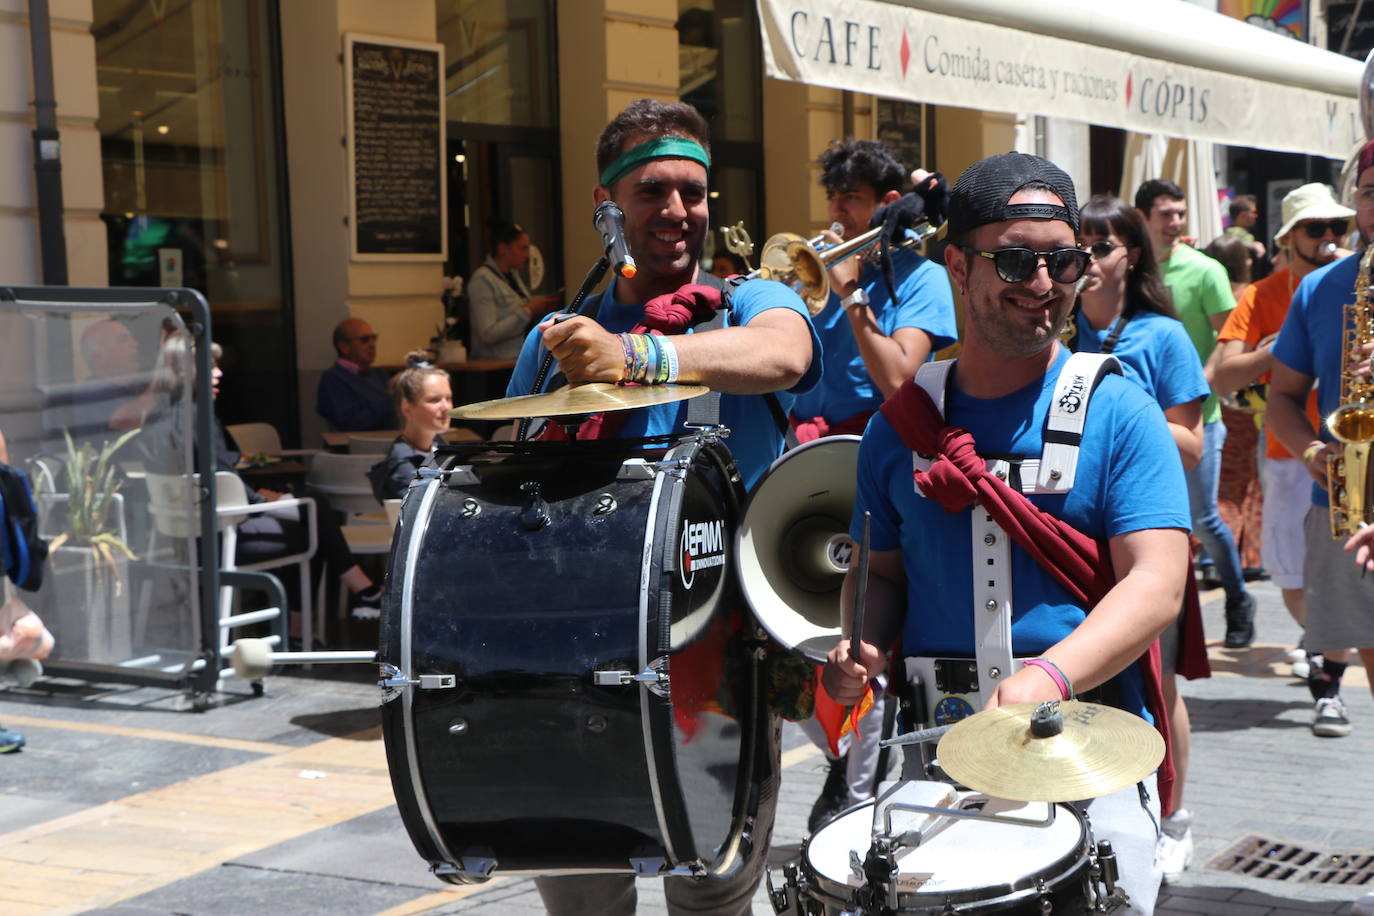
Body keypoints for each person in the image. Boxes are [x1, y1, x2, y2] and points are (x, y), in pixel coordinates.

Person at [823, 152, 1190, 915]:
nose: (1044, 284)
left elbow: (1157, 583)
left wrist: (1048, 679)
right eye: (1016, 260)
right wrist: (861, 643)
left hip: (1089, 752)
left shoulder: (1119, 410)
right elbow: (882, 574)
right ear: (957, 264)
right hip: (936, 763)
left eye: (1064, 262)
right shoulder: (901, 427)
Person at [512, 97, 819, 916]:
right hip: (582, 654)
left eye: (694, 191)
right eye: (652, 191)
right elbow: (508, 477)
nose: (678, 212)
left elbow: (785, 354)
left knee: (712, 895)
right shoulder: (555, 337)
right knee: (584, 895)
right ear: (605, 204)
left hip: (721, 655)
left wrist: (638, 356)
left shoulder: (752, 301)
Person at [791, 139, 957, 830]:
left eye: (849, 202)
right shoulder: (816, 278)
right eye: (831, 200)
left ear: (886, 208)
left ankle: (853, 788)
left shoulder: (922, 280)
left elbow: (897, 380)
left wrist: (854, 289)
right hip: (804, 467)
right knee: (798, 631)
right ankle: (842, 757)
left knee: (865, 633)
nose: (833, 215)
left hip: (874, 462)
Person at [1071, 194, 1208, 880]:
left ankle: (1173, 813)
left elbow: (1193, 444)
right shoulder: (1057, 329)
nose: (1090, 259)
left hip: (1145, 531)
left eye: (1104, 246)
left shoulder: (1161, 335)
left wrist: (1126, 411)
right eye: (1082, 245)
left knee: (1161, 682)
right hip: (1074, 533)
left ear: (1132, 256)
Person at [1212, 183, 1355, 685]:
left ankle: (1329, 654)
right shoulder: (1265, 294)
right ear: (1290, 237)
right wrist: (1284, 351)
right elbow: (1223, 378)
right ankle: (1326, 639)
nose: (1330, 237)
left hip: (1356, 455)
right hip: (1291, 453)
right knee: (1289, 571)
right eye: (1316, 229)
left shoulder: (1358, 281)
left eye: (1339, 226)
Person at [149, 336, 385, 624]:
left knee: (311, 510)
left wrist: (261, 498)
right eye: (210, 366)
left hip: (179, 538)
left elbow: (214, 475)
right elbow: (222, 476)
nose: (219, 372)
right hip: (221, 536)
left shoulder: (158, 418)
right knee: (313, 523)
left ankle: (354, 596)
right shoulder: (199, 418)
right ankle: (336, 607)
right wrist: (263, 500)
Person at [1267, 140, 1374, 741]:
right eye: (1369, 193)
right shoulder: (1322, 288)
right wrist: (1311, 452)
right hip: (1347, 507)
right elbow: (1281, 397)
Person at [1136, 179, 1255, 647]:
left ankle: (1237, 596)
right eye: (1166, 214)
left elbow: (1230, 342)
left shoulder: (1205, 271)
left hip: (1198, 419)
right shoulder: (1132, 270)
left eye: (1181, 214)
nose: (1176, 223)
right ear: (1143, 217)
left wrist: (1192, 384)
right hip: (1141, 422)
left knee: (1202, 518)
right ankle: (1165, 623)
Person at [467, 220, 560, 360]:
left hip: (517, 360)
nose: (527, 255)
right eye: (523, 248)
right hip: (495, 367)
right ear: (503, 248)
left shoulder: (513, 276)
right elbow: (488, 334)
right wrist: (528, 310)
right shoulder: (482, 279)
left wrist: (541, 306)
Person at [367, 351, 452, 502]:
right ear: (407, 408)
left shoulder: (443, 450)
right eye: (434, 400)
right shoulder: (403, 469)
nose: (446, 407)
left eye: (448, 398)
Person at [316, 318, 393, 431]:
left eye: (374, 338)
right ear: (344, 347)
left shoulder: (379, 374)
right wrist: (390, 398)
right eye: (364, 339)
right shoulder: (332, 380)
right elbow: (351, 424)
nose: (372, 344)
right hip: (357, 447)